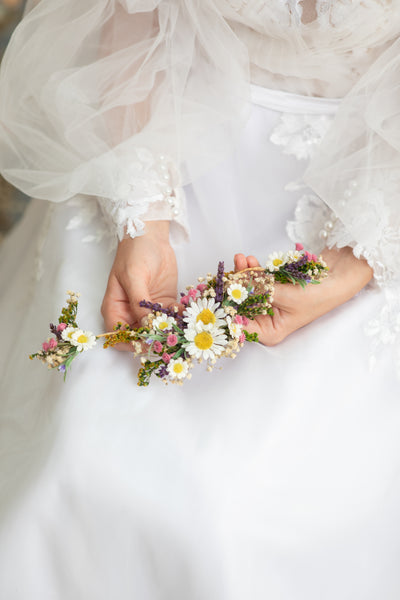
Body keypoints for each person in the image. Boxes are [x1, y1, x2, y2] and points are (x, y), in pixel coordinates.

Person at [0, 1, 399, 598]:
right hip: (160, 127)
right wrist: (144, 219)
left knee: (233, 521)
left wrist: (356, 259)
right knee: (75, 459)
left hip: (374, 180)